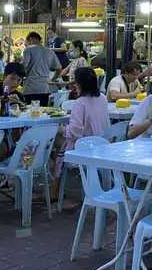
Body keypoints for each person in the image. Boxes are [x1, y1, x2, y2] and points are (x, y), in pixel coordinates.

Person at [52, 66, 110, 196]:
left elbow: (74, 132)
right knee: (60, 145)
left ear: (78, 84)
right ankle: (55, 187)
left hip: (84, 149)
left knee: (53, 142)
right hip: (103, 145)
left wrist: (61, 129)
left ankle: (54, 189)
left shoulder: (80, 103)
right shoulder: (103, 98)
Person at [22, 31, 62, 106]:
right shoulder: (49, 51)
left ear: (31, 39)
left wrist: (22, 75)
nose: (26, 44)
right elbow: (59, 69)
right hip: (45, 88)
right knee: (42, 113)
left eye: (27, 42)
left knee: (29, 113)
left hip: (31, 88)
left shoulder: (28, 49)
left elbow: (24, 65)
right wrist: (52, 79)